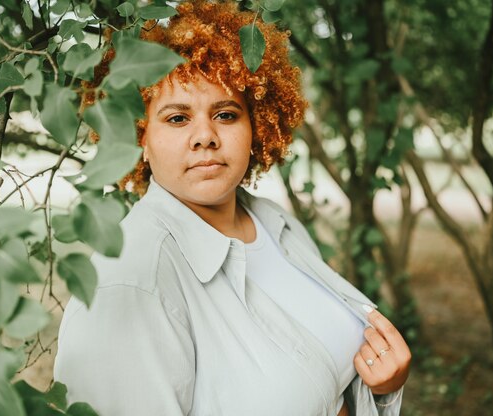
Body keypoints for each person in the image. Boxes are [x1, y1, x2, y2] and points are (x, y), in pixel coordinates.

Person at [54, 1, 411, 415]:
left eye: (225, 114)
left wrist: (382, 385)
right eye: (176, 118)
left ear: (256, 126)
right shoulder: (128, 282)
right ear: (140, 138)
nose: (205, 136)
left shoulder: (275, 222)